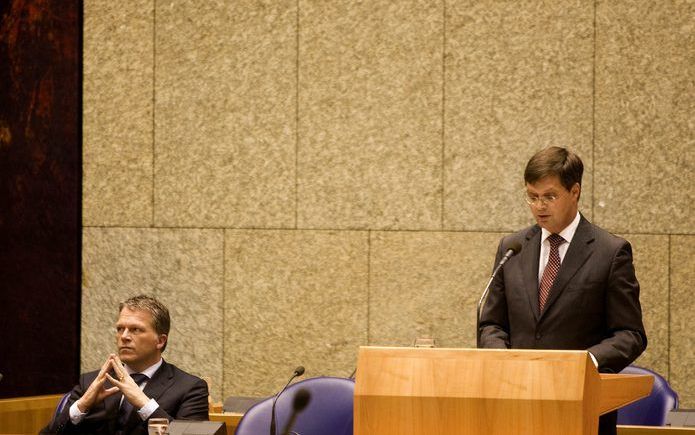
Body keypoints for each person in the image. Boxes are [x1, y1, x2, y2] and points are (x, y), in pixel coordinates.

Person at [478, 146, 647, 435]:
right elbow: (491, 323)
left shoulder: (610, 252)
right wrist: (504, 360)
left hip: (581, 407)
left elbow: (630, 335)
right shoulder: (512, 248)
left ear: (575, 192)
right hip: (515, 407)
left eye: (549, 196)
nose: (539, 206)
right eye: (532, 197)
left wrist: (585, 363)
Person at [43, 295, 209, 434]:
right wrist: (81, 406)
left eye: (136, 329)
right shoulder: (92, 382)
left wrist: (143, 404)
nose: (124, 336)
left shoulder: (190, 388)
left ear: (160, 341)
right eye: (120, 329)